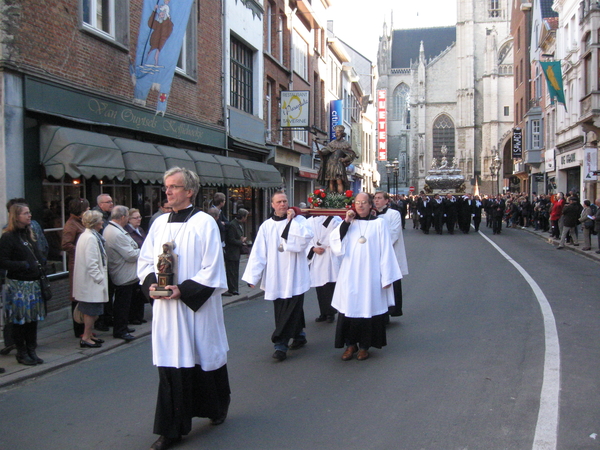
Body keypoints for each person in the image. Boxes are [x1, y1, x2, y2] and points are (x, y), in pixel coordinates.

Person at [138, 167, 230, 450]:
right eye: (166, 186)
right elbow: (144, 261)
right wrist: (153, 284)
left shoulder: (204, 223)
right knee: (171, 363)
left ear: (189, 191)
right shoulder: (159, 223)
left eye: (174, 187)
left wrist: (184, 289)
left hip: (195, 309)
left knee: (203, 357)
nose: (168, 191)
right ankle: (171, 429)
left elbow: (213, 267)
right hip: (166, 311)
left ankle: (216, 407)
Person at [242, 192, 313, 362]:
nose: (283, 204)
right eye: (279, 202)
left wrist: (291, 222)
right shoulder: (266, 226)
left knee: (292, 307)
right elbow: (259, 251)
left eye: (285, 201)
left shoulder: (299, 221)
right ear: (272, 205)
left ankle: (280, 344)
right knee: (281, 308)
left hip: (296, 273)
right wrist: (253, 276)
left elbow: (304, 240)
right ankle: (299, 335)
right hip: (276, 274)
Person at [330, 193, 401, 361]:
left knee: (368, 309)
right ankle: (350, 345)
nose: (360, 206)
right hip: (350, 273)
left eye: (364, 203)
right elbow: (335, 243)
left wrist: (387, 277)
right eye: (357, 203)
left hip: (371, 274)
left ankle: (364, 346)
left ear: (370, 205)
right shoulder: (348, 223)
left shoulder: (379, 224)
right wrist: (346, 222)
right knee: (349, 309)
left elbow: (386, 251)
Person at [0, 203, 47, 366]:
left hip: (33, 284)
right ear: (16, 216)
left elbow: (37, 253)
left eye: (29, 212)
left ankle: (31, 349)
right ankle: (21, 352)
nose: (29, 215)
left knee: (32, 320)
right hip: (19, 285)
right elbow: (3, 261)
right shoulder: (8, 237)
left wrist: (40, 262)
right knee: (20, 321)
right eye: (25, 213)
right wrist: (24, 265)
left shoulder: (29, 234)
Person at [73, 210, 109, 348]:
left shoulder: (90, 236)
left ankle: (89, 335)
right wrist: (100, 280)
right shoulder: (90, 238)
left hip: (91, 282)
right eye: (100, 220)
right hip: (91, 283)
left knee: (93, 311)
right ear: (95, 223)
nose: (102, 222)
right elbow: (91, 263)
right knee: (90, 312)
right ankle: (86, 337)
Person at [104, 206, 139, 341]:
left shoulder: (113, 229)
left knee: (124, 303)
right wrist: (143, 251)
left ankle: (123, 326)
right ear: (123, 217)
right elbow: (130, 255)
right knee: (122, 304)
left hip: (124, 271)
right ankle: (120, 330)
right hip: (123, 273)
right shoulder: (116, 233)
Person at [373, 191, 408, 318]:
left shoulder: (394, 214)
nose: (376, 201)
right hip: (375, 255)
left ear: (387, 201)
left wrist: (380, 246)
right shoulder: (371, 215)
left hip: (390, 253)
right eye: (375, 198)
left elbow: (394, 233)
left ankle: (392, 310)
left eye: (379, 198)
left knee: (391, 282)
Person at [305, 212, 343, 323]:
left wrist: (328, 244)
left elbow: (340, 234)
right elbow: (305, 239)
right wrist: (312, 248)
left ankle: (331, 312)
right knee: (320, 287)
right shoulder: (308, 222)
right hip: (316, 257)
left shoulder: (334, 219)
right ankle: (323, 312)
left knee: (329, 286)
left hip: (329, 255)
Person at [61, 198, 90, 338]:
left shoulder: (80, 223)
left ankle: (86, 328)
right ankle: (78, 329)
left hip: (84, 263)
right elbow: (66, 244)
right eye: (87, 208)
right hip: (77, 264)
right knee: (77, 296)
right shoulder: (71, 224)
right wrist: (81, 249)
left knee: (84, 296)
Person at [316, 125, 357, 193]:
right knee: (331, 181)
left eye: (338, 132)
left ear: (342, 133)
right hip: (330, 164)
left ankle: (340, 196)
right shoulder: (332, 143)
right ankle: (332, 195)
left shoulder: (345, 144)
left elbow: (351, 154)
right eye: (336, 132)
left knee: (339, 180)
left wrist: (344, 159)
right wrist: (321, 152)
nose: (336, 134)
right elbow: (326, 150)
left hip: (338, 164)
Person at [125, 209, 148, 325]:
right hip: (133, 266)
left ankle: (139, 315)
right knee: (134, 293)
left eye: (140, 217)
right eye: (136, 218)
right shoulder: (127, 232)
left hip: (142, 265)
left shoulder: (140, 230)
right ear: (129, 219)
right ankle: (133, 317)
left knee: (140, 293)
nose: (139, 219)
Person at [224, 208, 249, 296]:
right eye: (245, 217)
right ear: (242, 217)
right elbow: (230, 239)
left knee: (235, 271)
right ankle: (232, 288)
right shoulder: (233, 225)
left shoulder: (239, 224)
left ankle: (235, 288)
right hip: (231, 251)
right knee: (231, 271)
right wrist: (241, 242)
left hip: (236, 252)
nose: (246, 219)